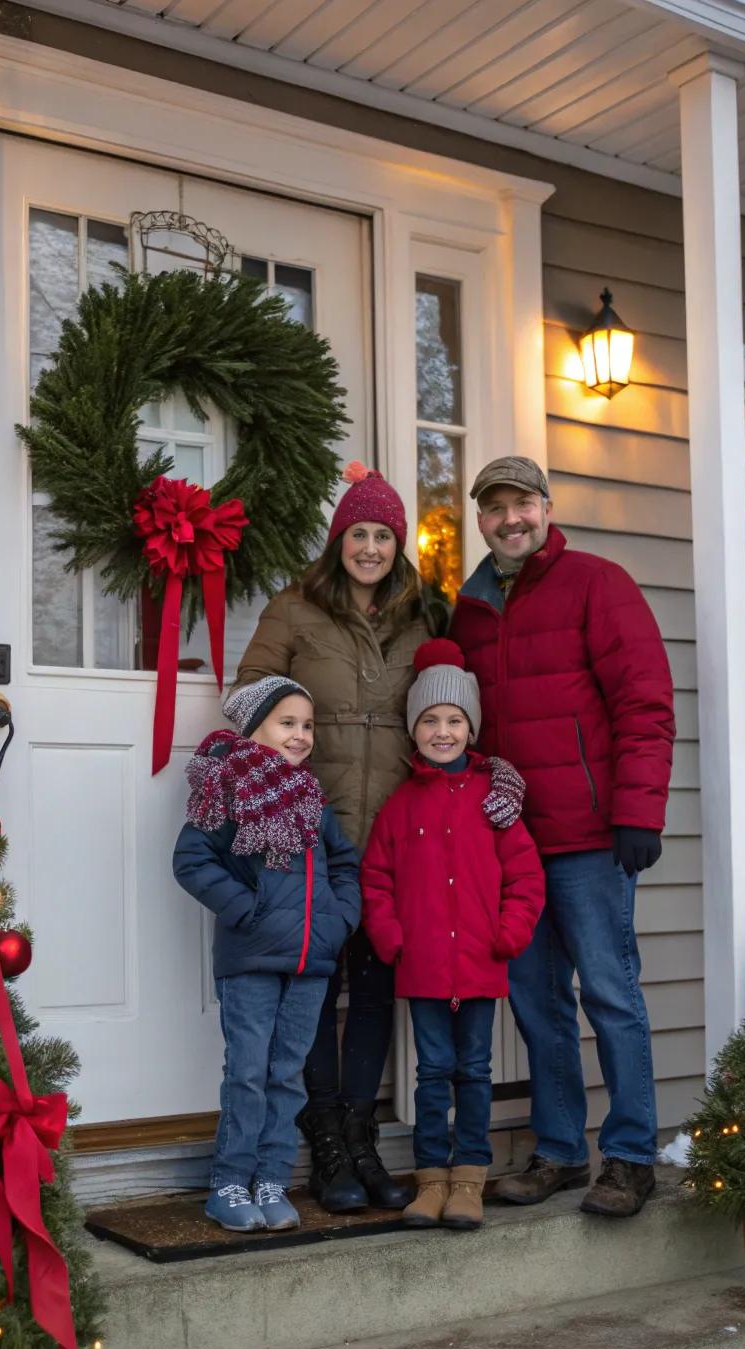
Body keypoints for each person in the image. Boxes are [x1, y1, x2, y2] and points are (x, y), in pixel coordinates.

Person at [233, 463, 525, 1213]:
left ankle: (362, 1135)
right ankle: (326, 1137)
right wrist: (276, 768)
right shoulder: (295, 609)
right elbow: (248, 697)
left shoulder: (422, 616)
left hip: (397, 834)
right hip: (311, 831)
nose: (370, 548)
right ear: (339, 540)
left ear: (399, 546)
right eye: (358, 533)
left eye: (383, 536)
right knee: (313, 988)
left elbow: (450, 710)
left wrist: (493, 773)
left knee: (372, 992)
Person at [451, 456, 676, 1219]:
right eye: (494, 508)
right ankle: (559, 1151)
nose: (510, 518)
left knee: (610, 993)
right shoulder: (470, 609)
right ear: (480, 520)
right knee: (537, 1002)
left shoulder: (596, 584)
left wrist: (638, 810)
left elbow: (644, 702)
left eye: (522, 503)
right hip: (513, 842)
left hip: (589, 836)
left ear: (545, 508)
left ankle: (631, 1156)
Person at [361, 641, 544, 1229]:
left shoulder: (495, 802)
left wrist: (509, 933)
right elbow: (376, 878)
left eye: (455, 720)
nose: (443, 732)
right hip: (423, 965)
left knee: (475, 1071)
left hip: (481, 963)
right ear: (414, 730)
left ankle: (469, 1179)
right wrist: (391, 938)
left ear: (471, 728)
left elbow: (525, 876)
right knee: (432, 1072)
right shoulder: (401, 805)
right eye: (430, 721)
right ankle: (431, 1179)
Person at [173, 676, 361, 1233]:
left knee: (287, 1074)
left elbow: (344, 864)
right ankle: (229, 1183)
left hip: (310, 962)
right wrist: (245, 909)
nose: (300, 735)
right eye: (287, 723)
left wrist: (339, 921)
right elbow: (191, 860)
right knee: (249, 1072)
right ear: (254, 728)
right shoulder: (228, 788)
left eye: (307, 725)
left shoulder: (312, 799)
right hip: (252, 960)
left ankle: (272, 1180)